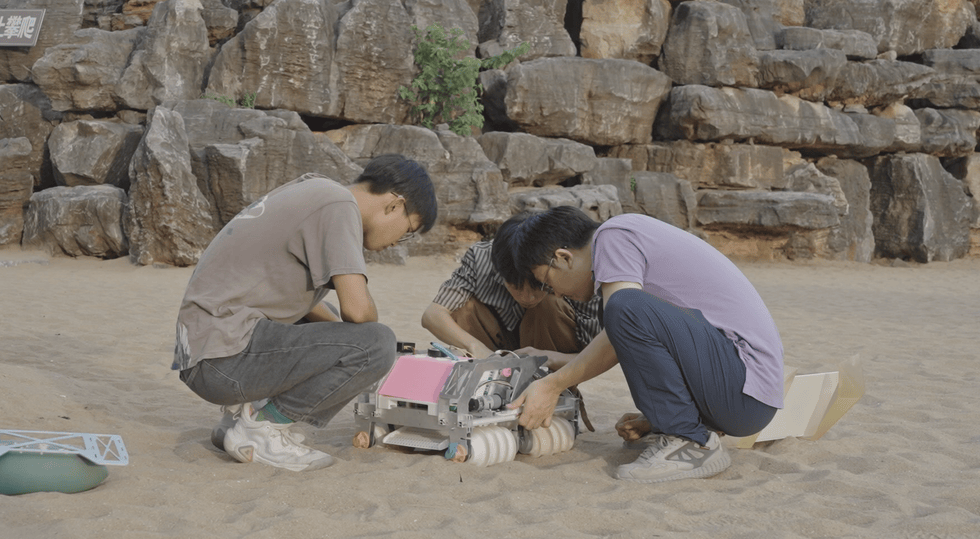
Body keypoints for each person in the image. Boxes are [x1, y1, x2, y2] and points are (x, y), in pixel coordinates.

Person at [173, 154, 437, 472]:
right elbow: (358, 311)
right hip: (223, 356)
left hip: (205, 352)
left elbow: (307, 307)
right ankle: (263, 428)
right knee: (379, 343)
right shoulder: (339, 206)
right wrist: (365, 353)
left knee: (351, 339)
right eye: (407, 231)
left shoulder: (317, 191)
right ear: (394, 204)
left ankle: (237, 421)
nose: (398, 243)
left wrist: (344, 347)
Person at [493, 206, 784, 483]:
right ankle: (683, 427)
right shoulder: (628, 234)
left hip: (745, 390)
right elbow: (630, 335)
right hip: (744, 394)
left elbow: (624, 320)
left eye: (546, 282)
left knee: (623, 307)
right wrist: (657, 416)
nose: (553, 292)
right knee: (624, 310)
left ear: (564, 258)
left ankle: (691, 444)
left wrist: (551, 385)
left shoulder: (613, 237)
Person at [420, 234, 602, 371]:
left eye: (538, 286)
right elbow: (432, 315)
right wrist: (476, 348)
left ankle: (551, 386)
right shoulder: (482, 257)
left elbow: (600, 355)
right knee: (462, 308)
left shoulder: (571, 271)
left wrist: (550, 358)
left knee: (549, 305)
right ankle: (486, 379)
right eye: (516, 287)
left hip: (553, 360)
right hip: (493, 352)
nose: (528, 297)